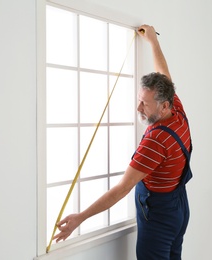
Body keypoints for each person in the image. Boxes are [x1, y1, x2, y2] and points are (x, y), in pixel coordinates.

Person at [53, 24, 193, 260]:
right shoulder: (176, 112)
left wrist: (81, 217)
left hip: (158, 218)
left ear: (164, 105)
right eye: (139, 99)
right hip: (178, 210)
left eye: (144, 104)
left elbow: (122, 189)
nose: (138, 108)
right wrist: (153, 42)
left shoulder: (156, 141)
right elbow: (165, 74)